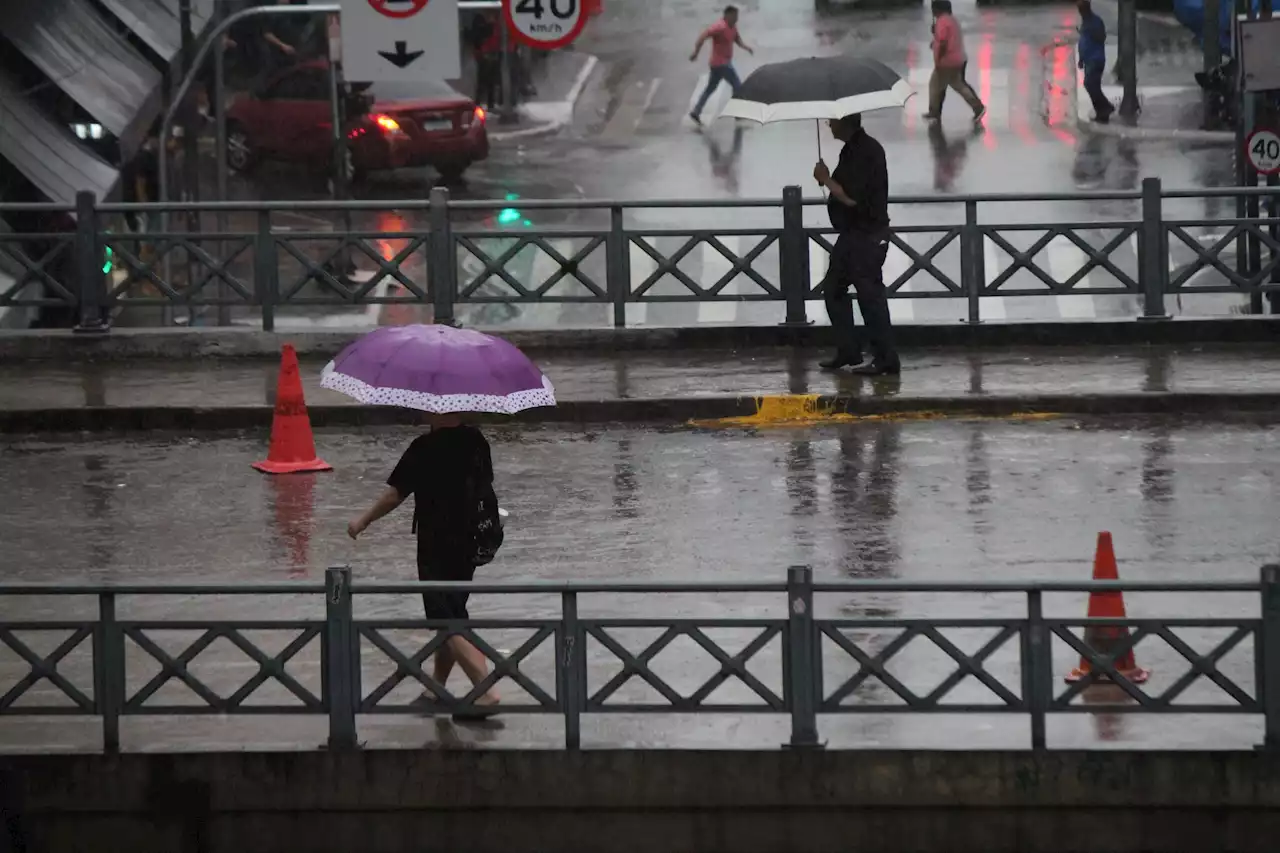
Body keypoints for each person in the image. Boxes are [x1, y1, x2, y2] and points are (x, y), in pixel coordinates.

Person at [348, 413, 502, 719]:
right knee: (452, 612)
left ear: (435, 410)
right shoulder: (476, 441)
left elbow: (395, 494)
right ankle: (436, 690)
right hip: (471, 540)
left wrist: (363, 520)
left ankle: (486, 690)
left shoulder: (424, 447)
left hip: (438, 544)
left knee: (445, 619)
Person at [812, 114, 901, 376]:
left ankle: (886, 359)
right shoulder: (851, 149)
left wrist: (826, 179)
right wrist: (827, 180)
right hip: (852, 234)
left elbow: (852, 199)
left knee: (870, 297)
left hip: (867, 235)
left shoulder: (866, 151)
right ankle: (848, 349)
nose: (829, 125)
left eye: (832, 121)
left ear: (846, 122)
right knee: (833, 289)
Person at [689, 5, 753, 127]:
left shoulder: (732, 26)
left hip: (719, 64)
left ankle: (696, 112)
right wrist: (695, 52)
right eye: (735, 16)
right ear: (727, 15)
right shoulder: (719, 27)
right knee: (737, 86)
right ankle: (737, 112)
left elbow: (737, 39)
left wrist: (746, 47)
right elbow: (703, 36)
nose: (737, 19)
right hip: (721, 64)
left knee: (710, 88)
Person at [922, 0, 985, 125]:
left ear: (937, 9)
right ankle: (934, 111)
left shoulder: (942, 22)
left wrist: (939, 58)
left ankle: (978, 107)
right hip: (958, 58)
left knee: (953, 85)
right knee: (939, 84)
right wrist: (934, 42)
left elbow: (943, 42)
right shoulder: (952, 20)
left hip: (947, 61)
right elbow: (945, 39)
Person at [1077, 0, 1113, 124]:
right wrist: (1081, 59)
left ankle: (1105, 107)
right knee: (1091, 86)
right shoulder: (1085, 22)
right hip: (1088, 60)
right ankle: (1102, 112)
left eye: (1082, 9)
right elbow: (1083, 42)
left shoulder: (1095, 21)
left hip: (1096, 59)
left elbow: (1100, 37)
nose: (1080, 12)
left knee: (1090, 84)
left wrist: (1090, 32)